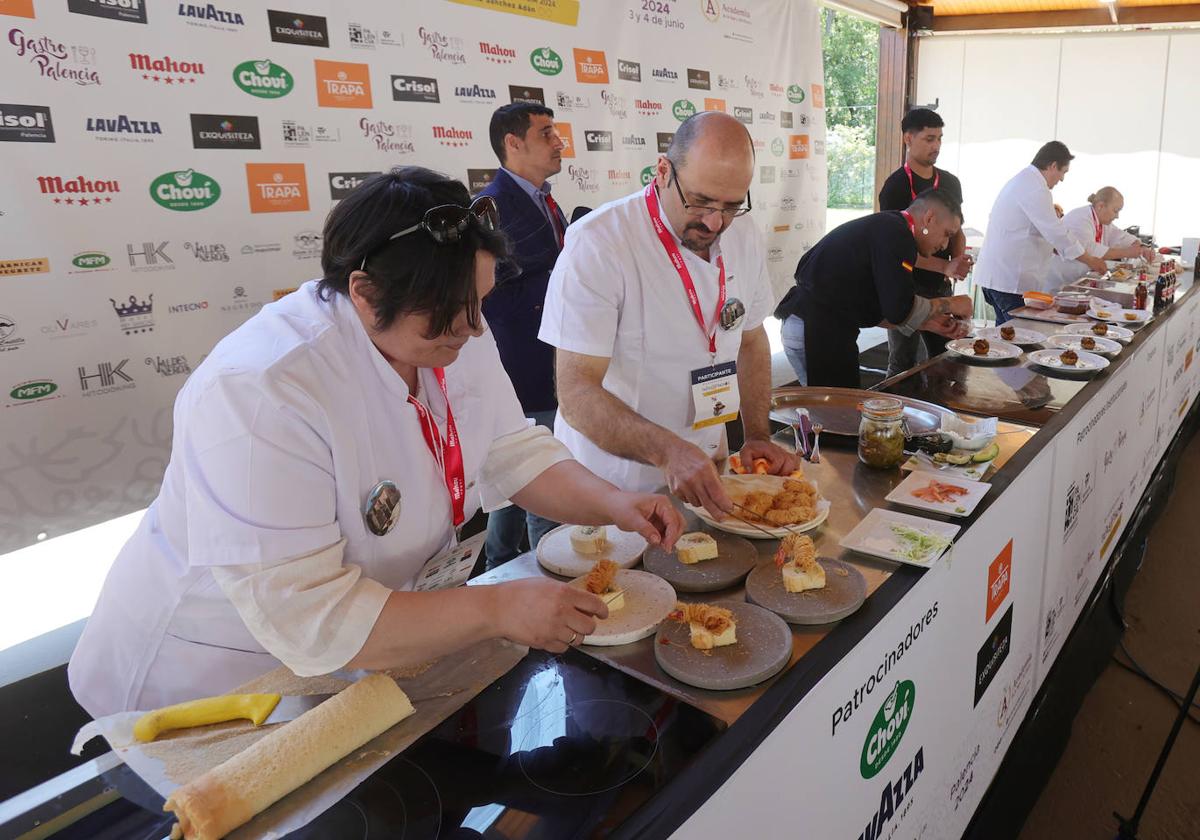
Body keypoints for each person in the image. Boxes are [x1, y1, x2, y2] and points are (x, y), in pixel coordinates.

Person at [68, 167, 684, 716]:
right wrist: (497, 609)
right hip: (206, 677)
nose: (473, 331)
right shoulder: (260, 390)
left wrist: (613, 503)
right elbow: (311, 614)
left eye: (482, 305)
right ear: (363, 292)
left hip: (353, 652)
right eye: (453, 314)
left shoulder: (446, 323)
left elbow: (509, 450)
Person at [539, 111, 801, 520]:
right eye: (700, 202)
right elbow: (576, 393)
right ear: (663, 172)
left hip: (706, 475)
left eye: (731, 206)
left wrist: (757, 435)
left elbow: (751, 341)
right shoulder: (600, 242)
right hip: (612, 487)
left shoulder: (744, 234)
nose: (715, 222)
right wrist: (668, 452)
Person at [476, 103, 568, 567]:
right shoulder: (488, 207)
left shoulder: (545, 199)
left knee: (513, 481)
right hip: (524, 366)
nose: (559, 142)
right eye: (547, 133)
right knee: (537, 481)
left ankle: (497, 568)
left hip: (553, 359)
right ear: (513, 143)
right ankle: (541, 583)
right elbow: (490, 298)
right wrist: (564, 274)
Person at [776, 189, 974, 388]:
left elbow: (878, 306)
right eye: (946, 234)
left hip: (811, 324)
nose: (945, 244)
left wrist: (927, 323)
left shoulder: (890, 229)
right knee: (837, 414)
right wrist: (951, 304)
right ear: (929, 218)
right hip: (817, 330)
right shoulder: (896, 233)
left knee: (830, 412)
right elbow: (899, 309)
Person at [877, 108, 973, 379]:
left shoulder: (950, 182)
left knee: (950, 352)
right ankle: (892, 416)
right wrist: (945, 265)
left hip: (940, 284)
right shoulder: (895, 186)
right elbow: (895, 248)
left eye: (940, 139)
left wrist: (958, 261)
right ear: (908, 138)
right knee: (904, 360)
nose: (937, 146)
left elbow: (956, 230)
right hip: (905, 283)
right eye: (929, 139)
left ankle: (943, 409)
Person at [972, 141, 1108, 324]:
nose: (1062, 179)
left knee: (1005, 335)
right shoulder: (1035, 187)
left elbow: (1038, 231)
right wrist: (1091, 260)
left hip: (1001, 277)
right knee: (1018, 335)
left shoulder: (1025, 181)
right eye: (1063, 172)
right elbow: (1057, 232)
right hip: (1008, 280)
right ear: (1053, 166)